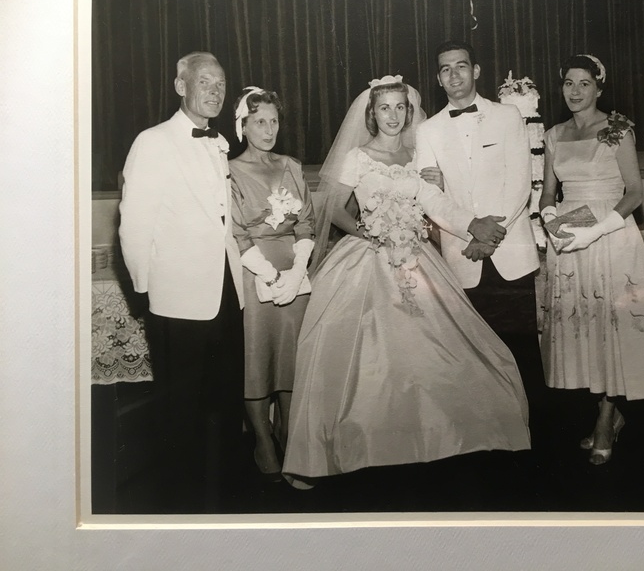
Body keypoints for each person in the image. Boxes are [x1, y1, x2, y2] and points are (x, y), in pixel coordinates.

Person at [281, 76, 530, 486]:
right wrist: (368, 232)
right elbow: (334, 208)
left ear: (409, 112)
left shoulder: (418, 156)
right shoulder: (358, 157)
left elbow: (434, 203)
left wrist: (455, 224)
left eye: (400, 108)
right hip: (367, 259)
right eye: (385, 108)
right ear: (372, 114)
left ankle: (430, 441)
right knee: (370, 358)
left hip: (415, 257)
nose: (393, 116)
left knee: (435, 352)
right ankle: (364, 444)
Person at [118, 51, 245, 513]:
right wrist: (147, 290)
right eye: (205, 82)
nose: (214, 91)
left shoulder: (219, 142)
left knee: (225, 403)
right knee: (180, 410)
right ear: (181, 86)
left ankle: (226, 502)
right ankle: (177, 507)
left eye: (221, 84)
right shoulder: (152, 142)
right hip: (176, 298)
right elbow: (134, 224)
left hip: (226, 293)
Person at [538, 54, 644, 465]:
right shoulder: (554, 134)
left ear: (599, 87)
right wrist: (549, 221)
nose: (575, 91)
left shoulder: (617, 130)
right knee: (588, 329)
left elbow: (634, 192)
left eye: (584, 83)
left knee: (613, 328)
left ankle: (607, 416)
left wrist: (594, 231)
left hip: (610, 236)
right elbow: (548, 194)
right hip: (569, 238)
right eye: (568, 83)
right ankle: (604, 412)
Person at [415, 41, 548, 446]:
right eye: (445, 70)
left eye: (460, 66)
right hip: (462, 254)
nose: (453, 75)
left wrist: (489, 234)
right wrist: (471, 227)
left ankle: (536, 442)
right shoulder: (428, 129)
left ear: (476, 70)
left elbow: (520, 182)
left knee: (522, 350)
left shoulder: (508, 116)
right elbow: (428, 194)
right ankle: (488, 441)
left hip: (511, 253)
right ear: (438, 79)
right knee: (475, 354)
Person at [228, 87, 315, 481]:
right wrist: (270, 275)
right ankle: (263, 440)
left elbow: (308, 223)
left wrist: (296, 273)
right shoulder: (229, 172)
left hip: (294, 270)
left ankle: (288, 433)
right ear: (242, 126)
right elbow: (237, 233)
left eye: (274, 120)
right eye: (259, 121)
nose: (268, 129)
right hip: (254, 273)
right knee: (258, 358)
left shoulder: (291, 166)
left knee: (291, 357)